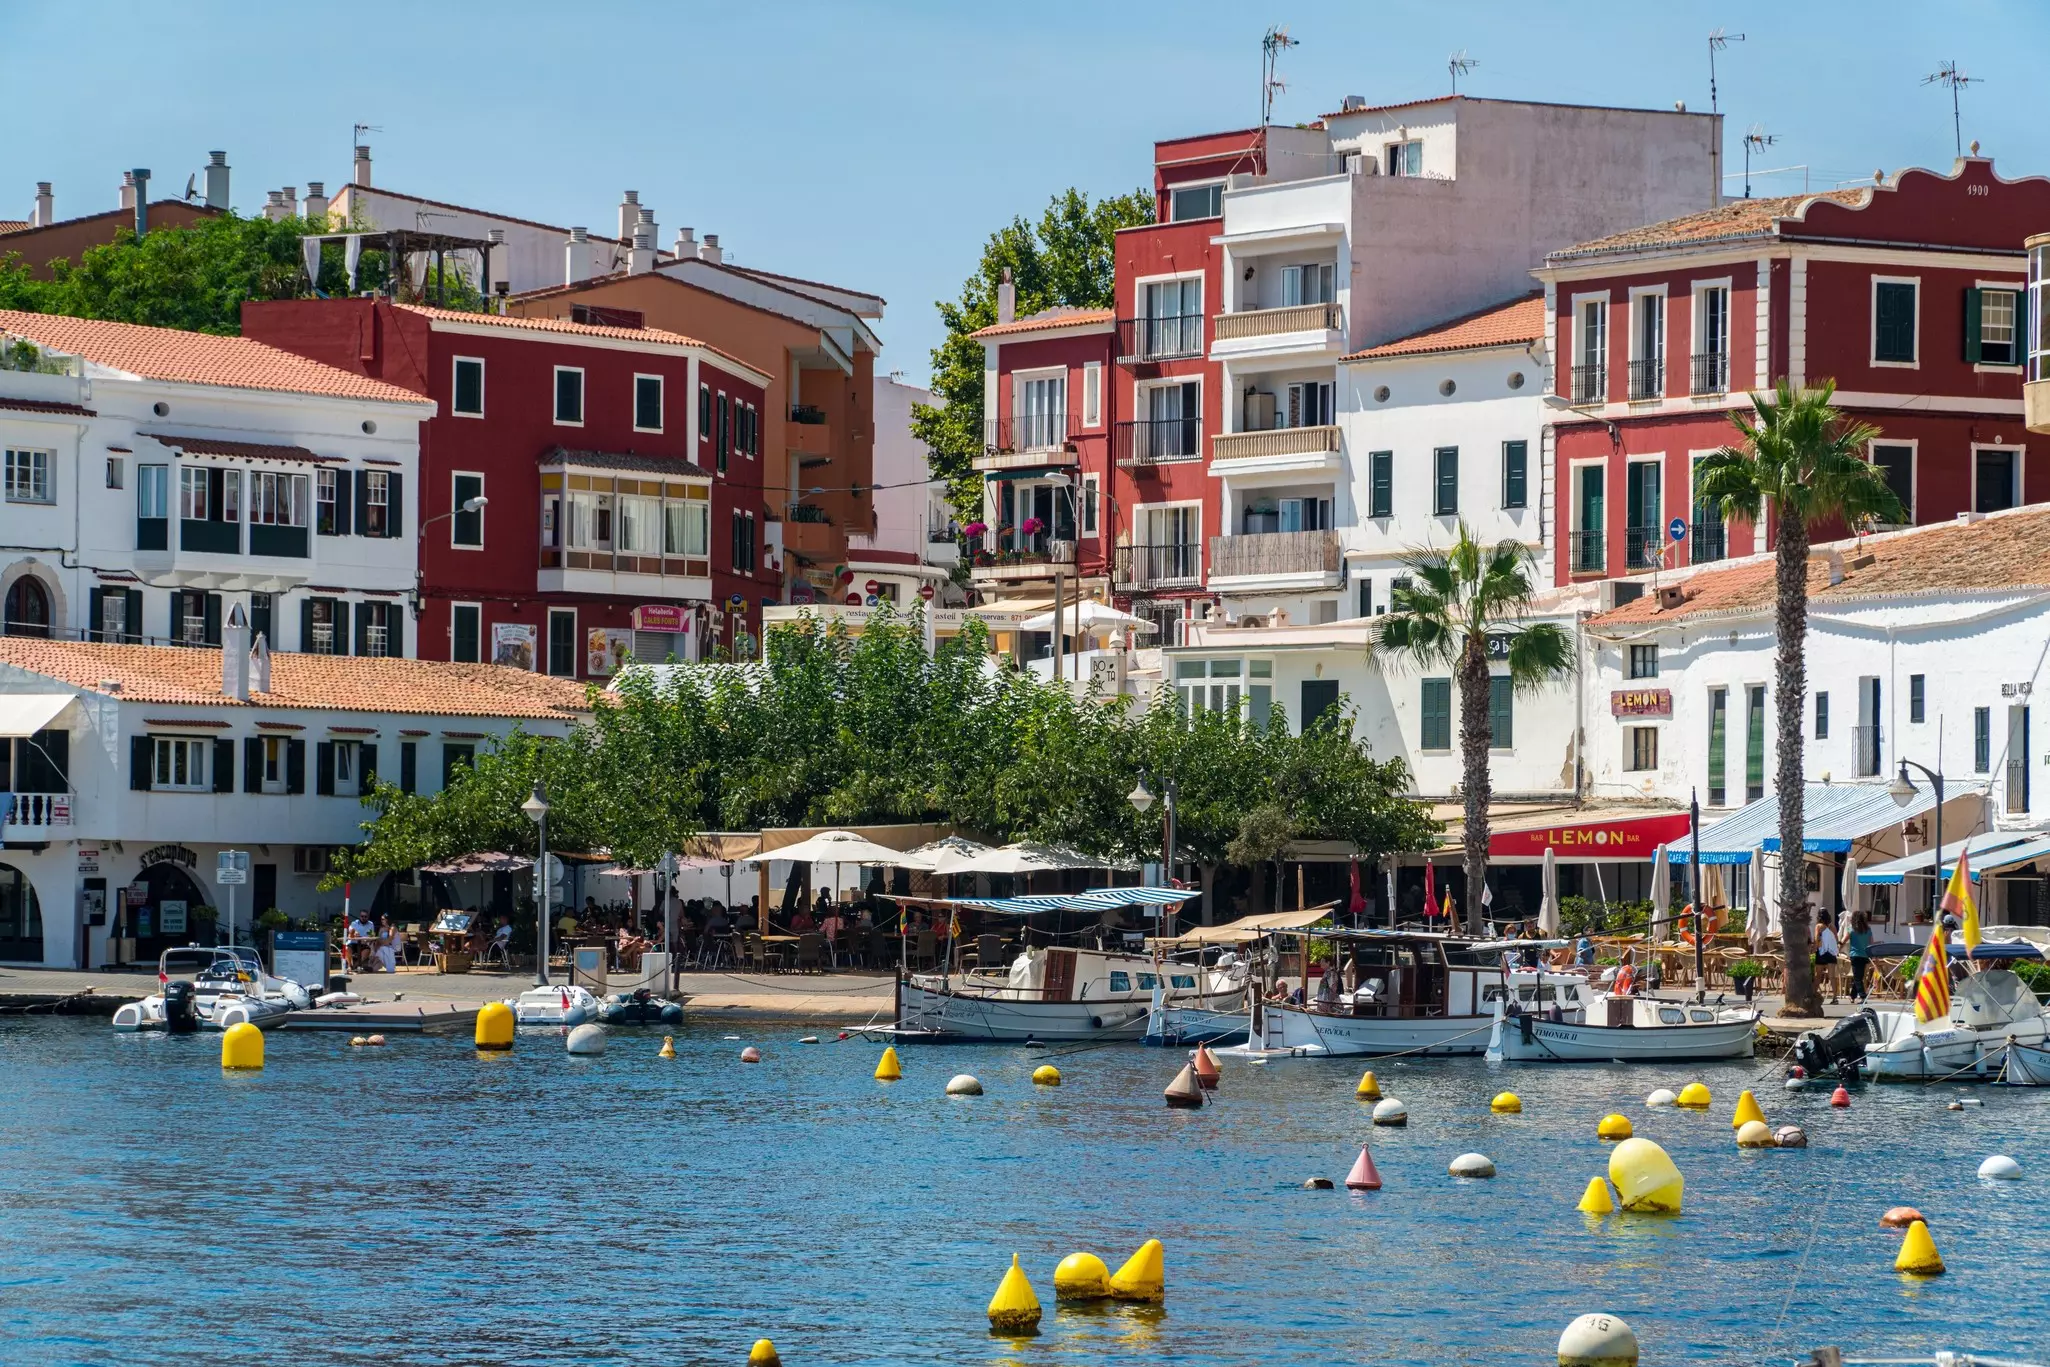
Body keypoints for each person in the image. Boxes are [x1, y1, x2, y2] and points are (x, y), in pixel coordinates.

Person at [1814, 910, 1841, 1005]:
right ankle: (1835, 997)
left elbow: (1817, 938)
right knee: (1832, 976)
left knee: (1818, 975)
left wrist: (1815, 948)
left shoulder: (1818, 926)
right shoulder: (1832, 926)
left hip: (1821, 952)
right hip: (1831, 952)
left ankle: (1813, 995)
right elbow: (1836, 940)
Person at [1847, 908, 1873, 1004]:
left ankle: (1863, 996)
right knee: (1858, 977)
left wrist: (1839, 946)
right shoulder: (1868, 929)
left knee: (1857, 978)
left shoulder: (1851, 929)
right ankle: (1852, 996)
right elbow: (1871, 943)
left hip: (1855, 955)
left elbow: (1845, 939)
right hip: (1865, 955)